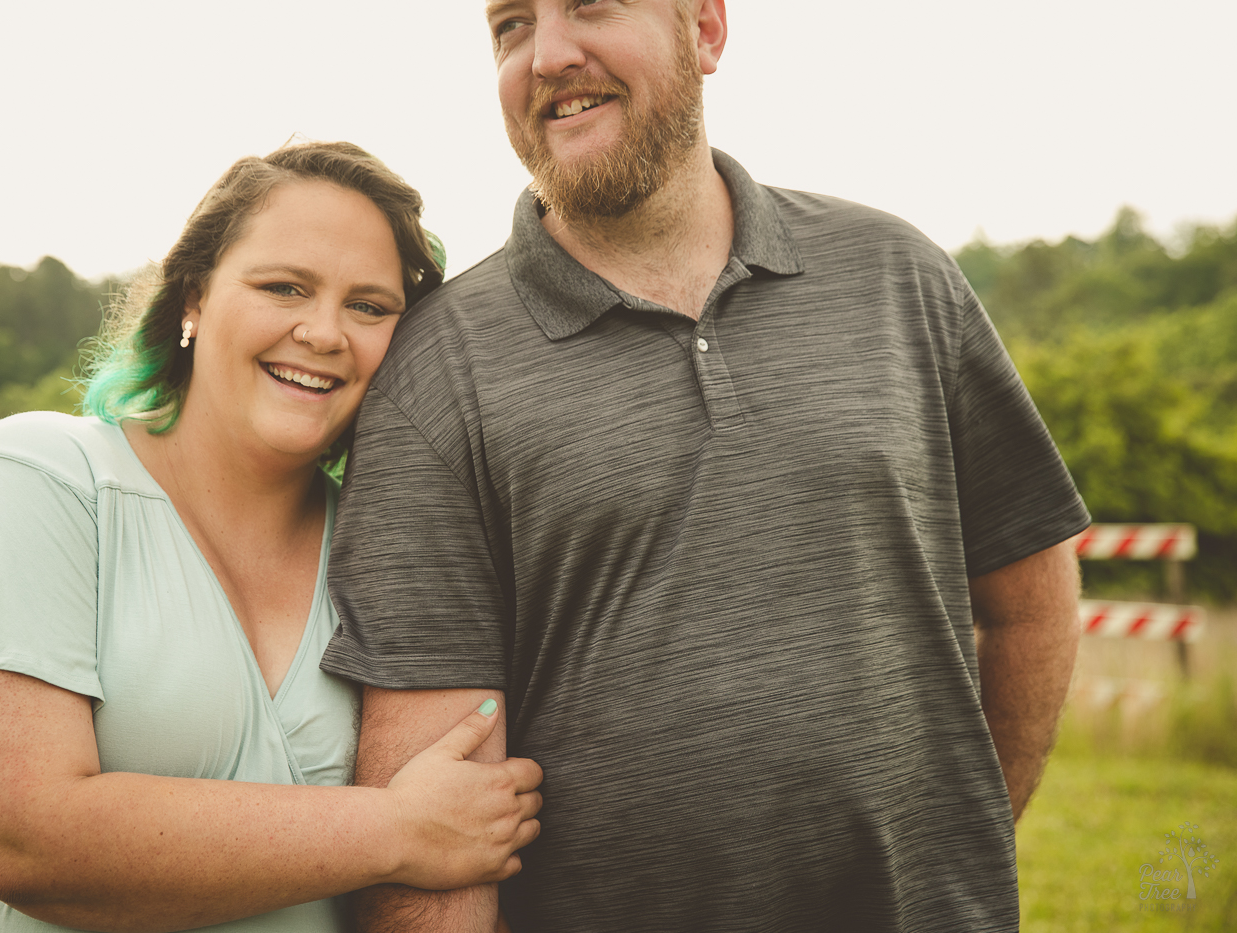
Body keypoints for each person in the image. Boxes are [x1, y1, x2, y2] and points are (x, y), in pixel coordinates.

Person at [319, 2, 1089, 931]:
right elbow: (433, 807)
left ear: (708, 30)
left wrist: (958, 853)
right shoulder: (437, 371)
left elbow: (1031, 598)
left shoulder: (899, 275)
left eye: (590, 5)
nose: (547, 54)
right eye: (511, 24)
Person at [0, 141, 543, 932]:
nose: (323, 331)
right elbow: (19, 836)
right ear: (192, 298)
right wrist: (400, 831)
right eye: (285, 287)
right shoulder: (36, 479)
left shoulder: (391, 554)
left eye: (370, 306)